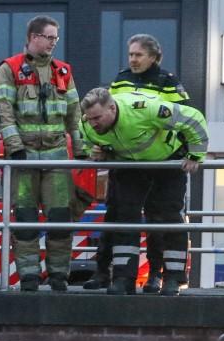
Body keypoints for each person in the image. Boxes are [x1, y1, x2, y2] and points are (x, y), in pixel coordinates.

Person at [84, 34, 191, 292]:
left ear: (153, 57)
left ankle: (158, 275)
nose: (133, 59)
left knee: (161, 216)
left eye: (138, 54)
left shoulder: (167, 82)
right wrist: (100, 148)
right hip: (126, 161)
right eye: (131, 54)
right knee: (117, 215)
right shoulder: (121, 79)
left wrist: (187, 154)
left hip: (162, 161)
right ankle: (109, 273)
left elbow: (185, 117)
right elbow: (109, 115)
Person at [80, 87, 209, 295]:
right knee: (125, 217)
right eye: (90, 118)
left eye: (97, 118)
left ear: (112, 108)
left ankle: (173, 279)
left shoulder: (145, 109)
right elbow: (85, 142)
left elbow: (194, 119)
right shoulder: (87, 124)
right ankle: (123, 279)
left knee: (168, 217)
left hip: (167, 161)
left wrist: (196, 155)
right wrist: (94, 152)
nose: (93, 123)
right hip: (130, 165)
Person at [0, 15, 85, 292]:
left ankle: (59, 276)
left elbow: (75, 114)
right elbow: (3, 110)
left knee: (60, 219)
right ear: (34, 37)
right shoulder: (9, 68)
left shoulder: (63, 72)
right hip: (25, 157)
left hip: (57, 157)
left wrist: (80, 150)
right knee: (25, 220)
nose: (54, 43)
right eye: (49, 37)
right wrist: (15, 147)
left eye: (56, 38)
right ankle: (29, 277)